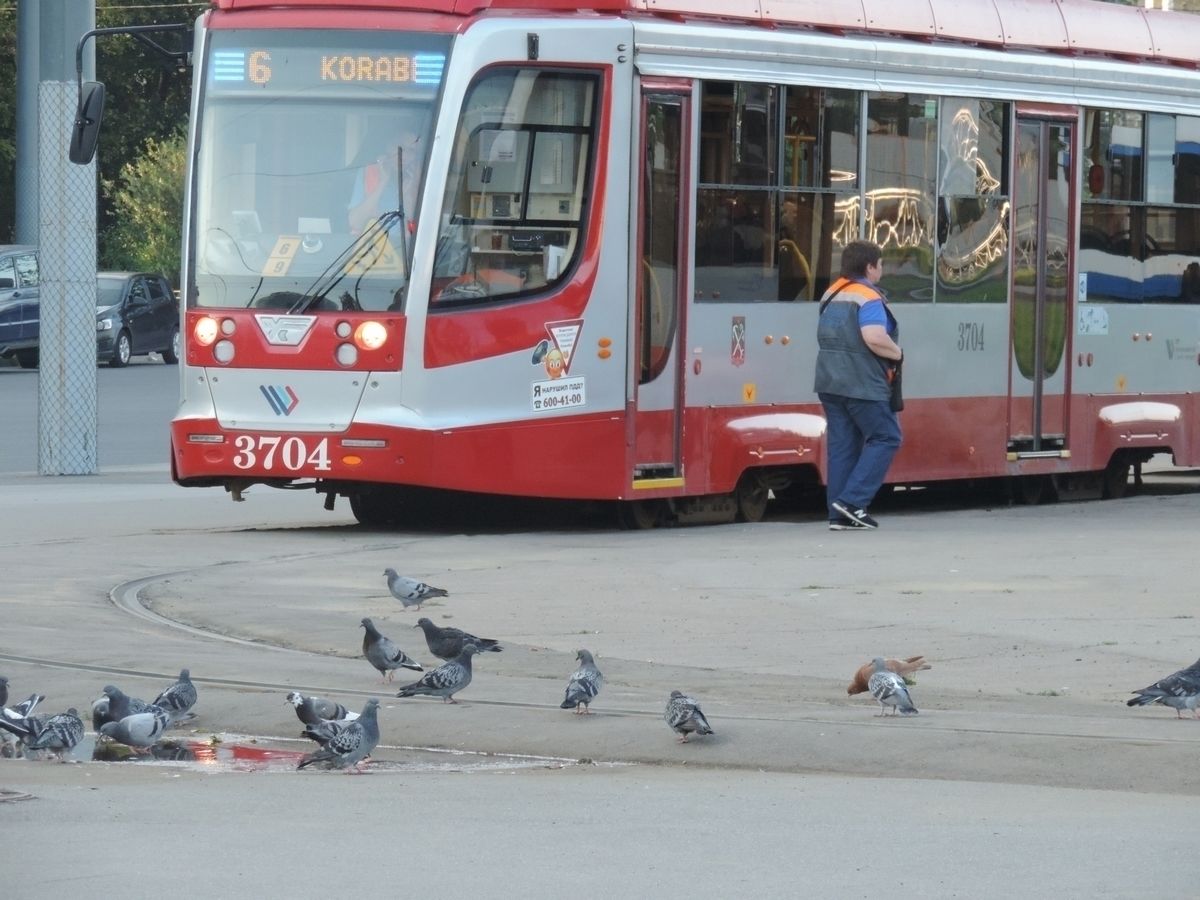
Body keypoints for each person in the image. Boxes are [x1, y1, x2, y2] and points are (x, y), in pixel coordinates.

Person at [813, 240, 903, 530]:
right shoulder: (868, 297)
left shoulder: (832, 293)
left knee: (842, 447)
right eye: (880, 265)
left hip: (829, 382)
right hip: (862, 384)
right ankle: (853, 501)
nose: (882, 270)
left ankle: (838, 515)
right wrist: (898, 353)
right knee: (887, 436)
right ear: (869, 267)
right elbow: (874, 336)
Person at [347, 126, 421, 235]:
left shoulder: (421, 179)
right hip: (370, 248)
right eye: (400, 148)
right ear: (388, 147)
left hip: (405, 250)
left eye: (411, 151)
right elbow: (355, 222)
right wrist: (382, 182)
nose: (404, 156)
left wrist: (411, 190)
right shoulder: (368, 173)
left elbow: (417, 231)